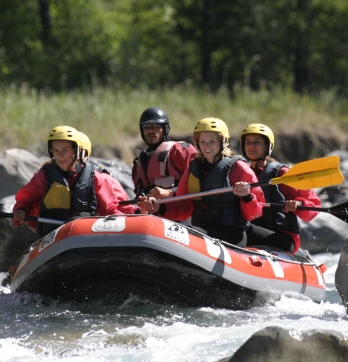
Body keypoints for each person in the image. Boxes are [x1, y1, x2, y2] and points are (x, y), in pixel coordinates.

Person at [138, 117, 264, 248]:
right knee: (176, 230)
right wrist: (158, 207)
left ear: (223, 142)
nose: (206, 146)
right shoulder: (194, 168)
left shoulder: (239, 168)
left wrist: (247, 196)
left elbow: (254, 213)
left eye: (212, 141)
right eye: (202, 141)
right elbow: (184, 206)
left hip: (231, 233)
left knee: (189, 233)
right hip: (203, 228)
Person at [12, 126, 136, 236]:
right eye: (56, 151)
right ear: (51, 152)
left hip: (87, 235)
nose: (60, 155)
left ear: (76, 151)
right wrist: (21, 210)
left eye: (65, 150)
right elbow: (25, 200)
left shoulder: (96, 177)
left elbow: (109, 210)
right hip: (53, 235)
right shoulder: (43, 176)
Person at [240, 123, 321, 253]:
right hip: (256, 230)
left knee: (242, 229)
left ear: (267, 146)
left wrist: (298, 203)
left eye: (257, 142)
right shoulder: (242, 172)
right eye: (248, 142)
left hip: (282, 237)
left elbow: (314, 204)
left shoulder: (281, 173)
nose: (251, 146)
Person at [132, 107, 198, 200]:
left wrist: (170, 192)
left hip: (183, 211)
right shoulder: (139, 165)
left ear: (165, 129)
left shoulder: (180, 151)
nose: (151, 131)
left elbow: (200, 183)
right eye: (146, 127)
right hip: (153, 212)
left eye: (157, 126)